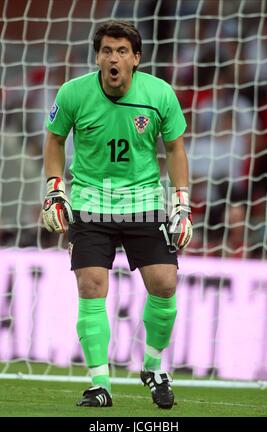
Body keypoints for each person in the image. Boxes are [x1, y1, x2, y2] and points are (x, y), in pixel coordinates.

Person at [42, 20, 192, 409]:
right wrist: (55, 188)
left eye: (122, 51)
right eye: (107, 50)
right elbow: (55, 139)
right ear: (97, 56)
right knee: (91, 285)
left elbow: (175, 149)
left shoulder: (159, 94)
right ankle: (99, 384)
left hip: (143, 202)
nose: (113, 58)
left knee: (165, 283)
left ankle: (154, 367)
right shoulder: (73, 93)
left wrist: (181, 202)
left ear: (136, 59)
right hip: (91, 202)